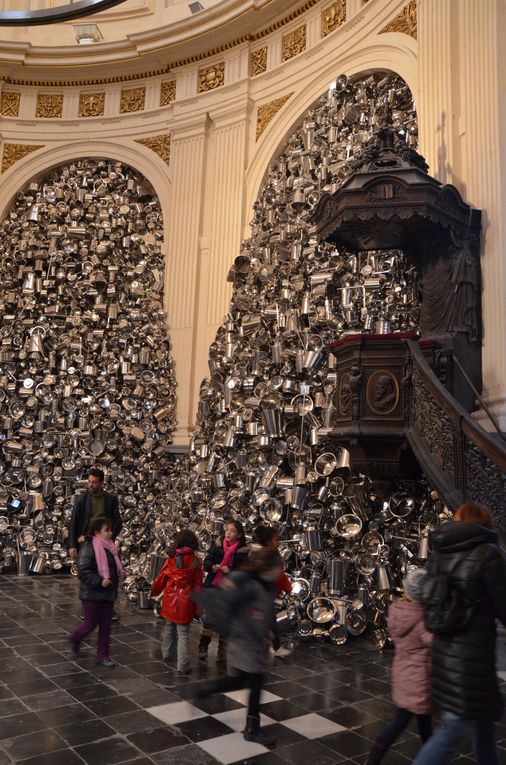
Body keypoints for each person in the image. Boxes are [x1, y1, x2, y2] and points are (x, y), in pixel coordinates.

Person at [412, 502, 506, 765]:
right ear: (484, 522)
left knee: (483, 724)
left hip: (446, 651)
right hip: (472, 656)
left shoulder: (440, 552)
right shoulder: (488, 554)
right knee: (455, 727)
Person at [196, 546, 281, 746]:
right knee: (256, 682)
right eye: (278, 566)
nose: (280, 570)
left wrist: (270, 632)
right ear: (267, 568)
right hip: (246, 641)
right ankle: (252, 729)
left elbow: (264, 613)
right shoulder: (251, 584)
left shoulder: (265, 585)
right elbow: (244, 610)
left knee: (242, 680)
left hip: (251, 641)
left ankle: (208, 689)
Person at [365, 568, 433, 764]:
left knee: (423, 724)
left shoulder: (398, 610)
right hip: (418, 680)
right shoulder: (422, 619)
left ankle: (434, 757)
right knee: (399, 724)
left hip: (403, 674)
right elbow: (434, 641)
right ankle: (373, 759)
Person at [68, 516, 125, 667]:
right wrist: (100, 581)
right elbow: (83, 571)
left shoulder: (110, 547)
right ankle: (75, 638)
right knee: (90, 624)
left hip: (108, 593)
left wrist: (119, 572)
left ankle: (103, 656)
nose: (110, 533)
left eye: (110, 530)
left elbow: (113, 566)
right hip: (92, 594)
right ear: (97, 532)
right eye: (107, 530)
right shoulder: (88, 547)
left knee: (106, 626)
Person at [69, 468, 122, 620]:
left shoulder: (110, 499)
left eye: (94, 482)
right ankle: (88, 609)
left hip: (104, 541)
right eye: (89, 482)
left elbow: (118, 521)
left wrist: (111, 536)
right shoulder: (82, 499)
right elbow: (74, 522)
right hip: (87, 541)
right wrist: (72, 544)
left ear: (101, 482)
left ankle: (108, 609)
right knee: (88, 574)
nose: (91, 485)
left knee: (109, 573)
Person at [150, 529, 203, 675]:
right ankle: (183, 665)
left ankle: (167, 655)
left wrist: (154, 591)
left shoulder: (171, 560)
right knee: (184, 633)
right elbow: (198, 586)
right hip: (186, 602)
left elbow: (160, 579)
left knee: (169, 627)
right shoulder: (196, 563)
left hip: (170, 599)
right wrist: (199, 605)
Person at [199, 519, 248, 661]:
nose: (228, 533)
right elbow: (207, 561)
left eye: (232, 531)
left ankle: (222, 651)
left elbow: (244, 572)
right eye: (227, 530)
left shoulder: (242, 551)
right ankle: (203, 647)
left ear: (238, 534)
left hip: (230, 590)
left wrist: (230, 570)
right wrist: (211, 566)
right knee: (209, 620)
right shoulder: (218, 546)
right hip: (214, 587)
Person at [251, 524, 292, 658]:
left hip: (266, 593)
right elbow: (279, 574)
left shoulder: (266, 553)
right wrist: (287, 587)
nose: (278, 541)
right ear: (269, 541)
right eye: (276, 539)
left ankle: (269, 644)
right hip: (265, 593)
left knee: (267, 620)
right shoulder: (270, 555)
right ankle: (274, 646)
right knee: (268, 620)